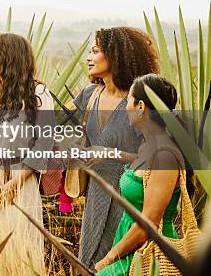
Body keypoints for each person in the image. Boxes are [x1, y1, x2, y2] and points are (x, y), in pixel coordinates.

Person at [75, 26, 159, 269]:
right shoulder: (89, 95)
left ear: (117, 56)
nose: (89, 58)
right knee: (87, 264)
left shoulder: (140, 102)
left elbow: (157, 158)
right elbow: (77, 139)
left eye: (95, 51)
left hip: (128, 199)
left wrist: (112, 154)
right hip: (96, 197)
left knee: (116, 267)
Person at [95, 74, 187, 274]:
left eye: (128, 99)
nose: (125, 105)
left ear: (141, 106)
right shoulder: (148, 146)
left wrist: (108, 259)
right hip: (130, 243)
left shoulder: (164, 156)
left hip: (150, 252)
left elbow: (149, 222)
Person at [0, 32, 54, 274]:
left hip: (22, 180)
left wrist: (15, 182)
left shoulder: (39, 94)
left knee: (23, 247)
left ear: (10, 57)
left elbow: (44, 142)